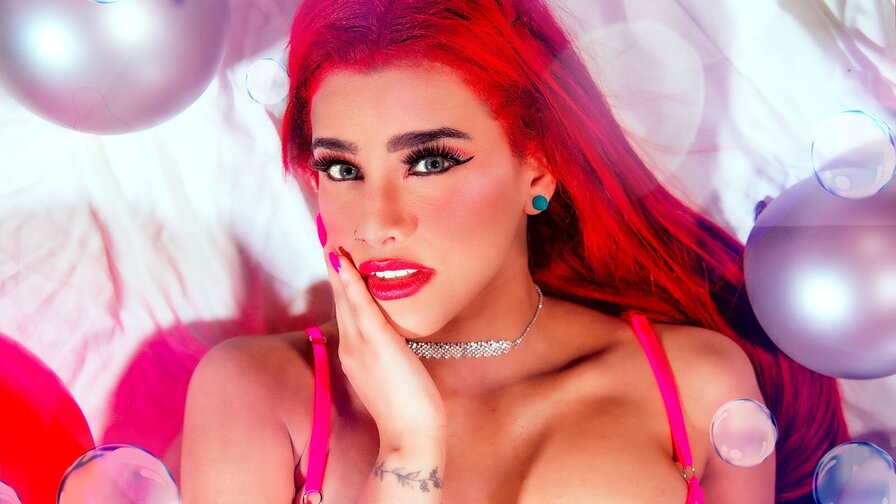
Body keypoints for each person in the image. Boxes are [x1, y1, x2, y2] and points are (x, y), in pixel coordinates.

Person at [181, 0, 850, 502]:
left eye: (430, 162)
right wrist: (409, 446)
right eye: (342, 169)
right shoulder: (255, 395)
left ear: (538, 168)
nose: (377, 224)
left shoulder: (697, 384)